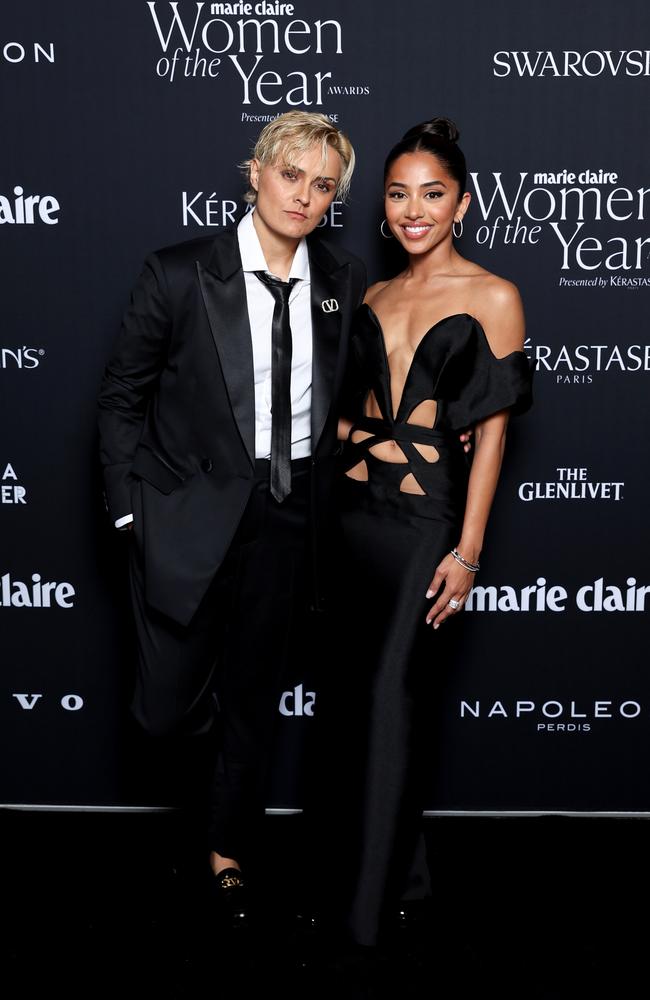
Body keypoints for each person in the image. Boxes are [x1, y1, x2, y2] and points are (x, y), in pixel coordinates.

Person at [96, 111, 366, 923]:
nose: (305, 196)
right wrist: (126, 516)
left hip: (289, 519)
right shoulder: (180, 272)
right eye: (292, 175)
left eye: (323, 186)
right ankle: (198, 806)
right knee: (165, 709)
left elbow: (349, 401)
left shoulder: (342, 283)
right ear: (255, 172)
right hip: (184, 516)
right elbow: (120, 398)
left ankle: (224, 849)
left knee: (253, 700)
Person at [331, 117, 533, 947]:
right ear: (384, 205)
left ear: (462, 201)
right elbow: (348, 418)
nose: (414, 210)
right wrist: (350, 440)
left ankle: (362, 923)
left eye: (433, 194)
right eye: (399, 194)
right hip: (346, 520)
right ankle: (399, 876)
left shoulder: (494, 296)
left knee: (389, 701)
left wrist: (468, 548)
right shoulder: (371, 295)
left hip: (423, 526)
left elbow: (491, 433)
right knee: (352, 709)